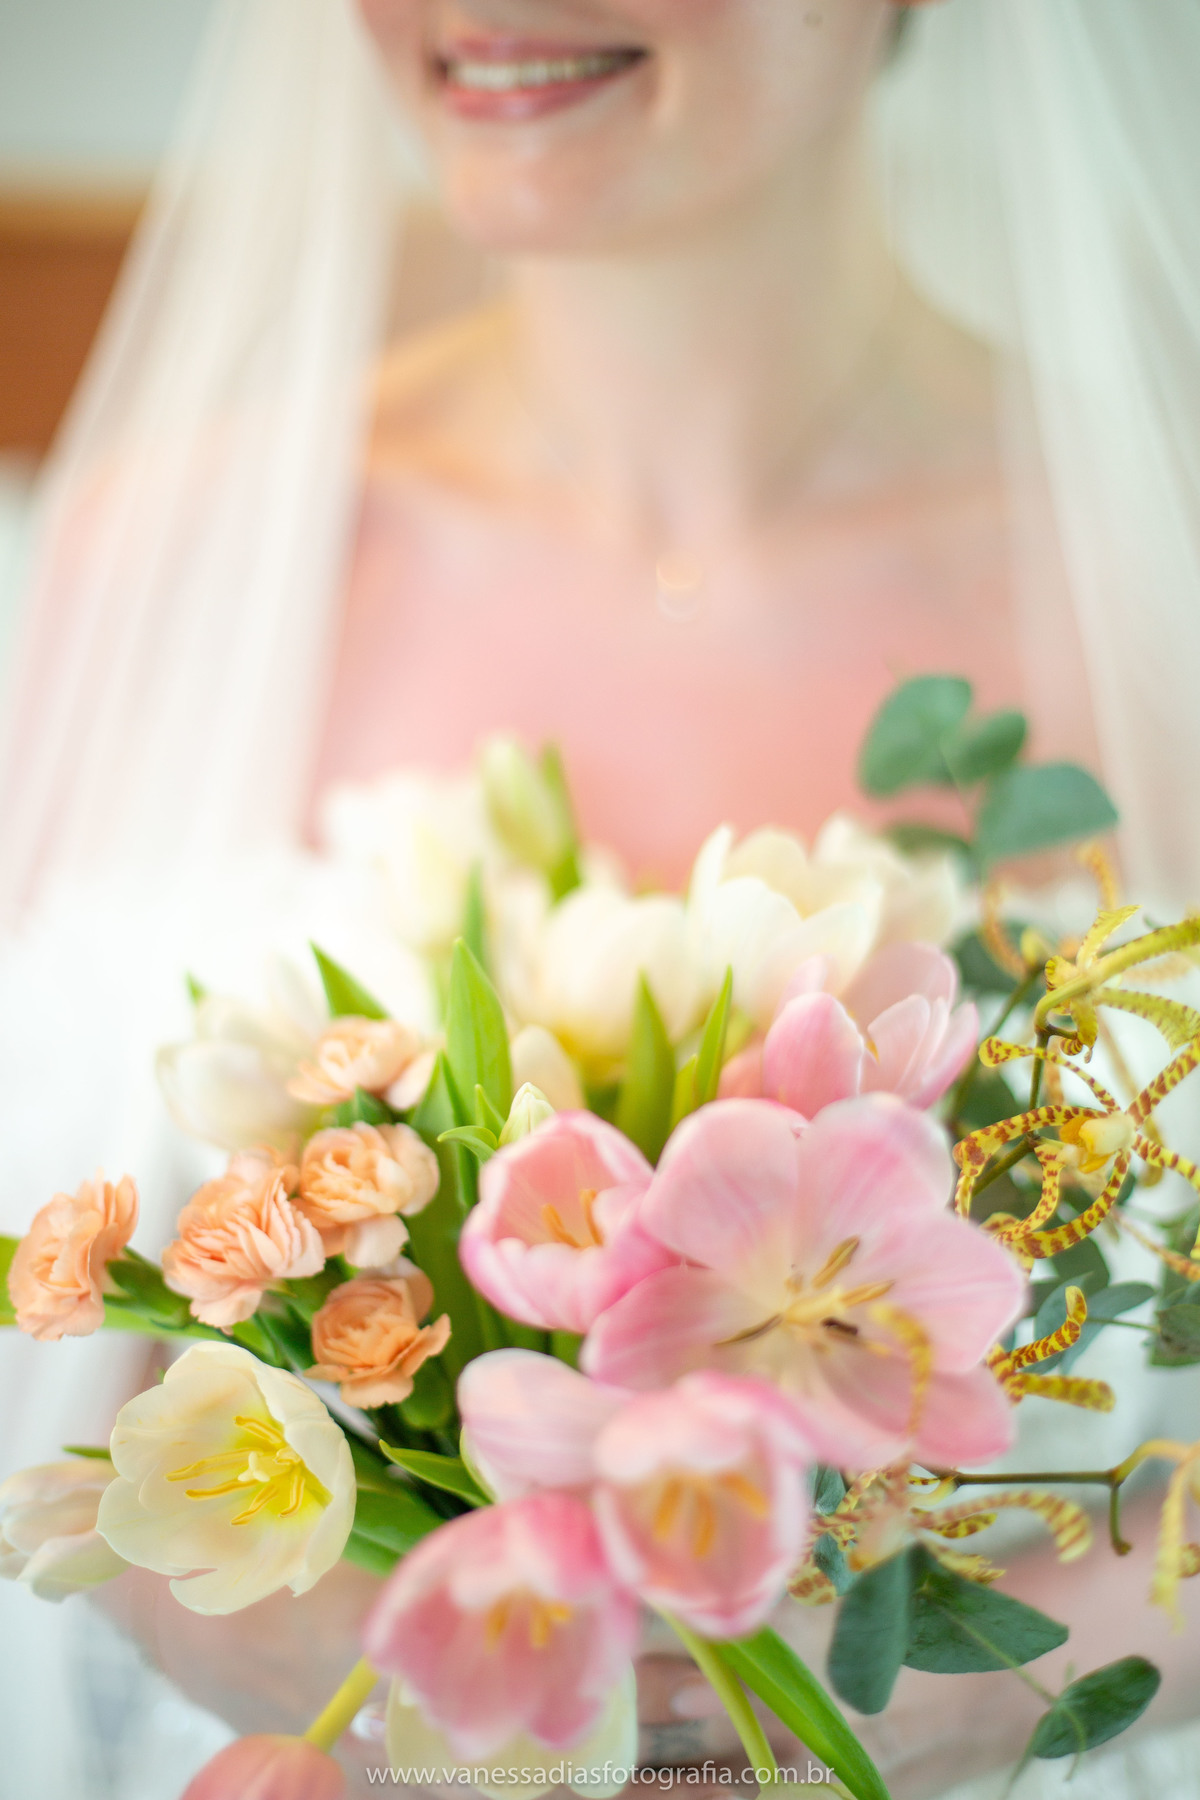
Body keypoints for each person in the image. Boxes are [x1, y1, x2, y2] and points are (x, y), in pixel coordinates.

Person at [0, 1, 1198, 1795]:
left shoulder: (1159, 554)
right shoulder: (172, 551)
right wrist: (256, 1627)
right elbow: (50, 1318)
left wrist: (952, 1696)